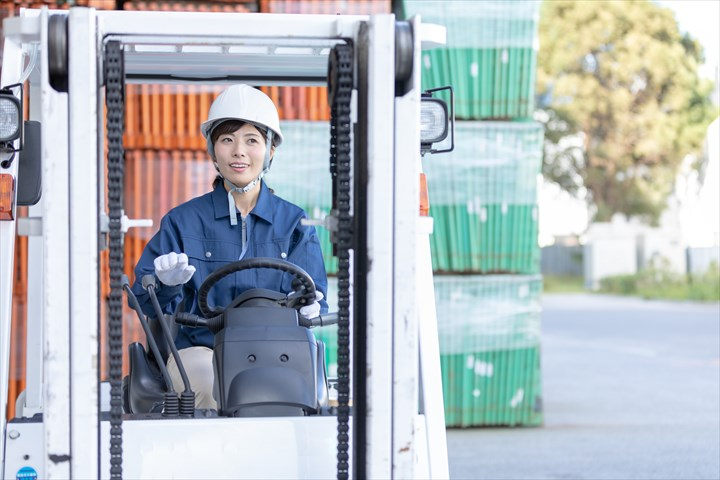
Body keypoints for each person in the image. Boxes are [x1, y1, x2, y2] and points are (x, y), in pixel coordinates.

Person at [130, 84, 328, 409]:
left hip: (277, 350)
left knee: (307, 397)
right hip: (202, 350)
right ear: (212, 150)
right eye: (227, 140)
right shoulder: (183, 221)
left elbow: (315, 293)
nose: (239, 151)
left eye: (252, 140)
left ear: (270, 150)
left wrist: (312, 306)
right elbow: (143, 298)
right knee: (210, 387)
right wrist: (164, 287)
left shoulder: (295, 223)